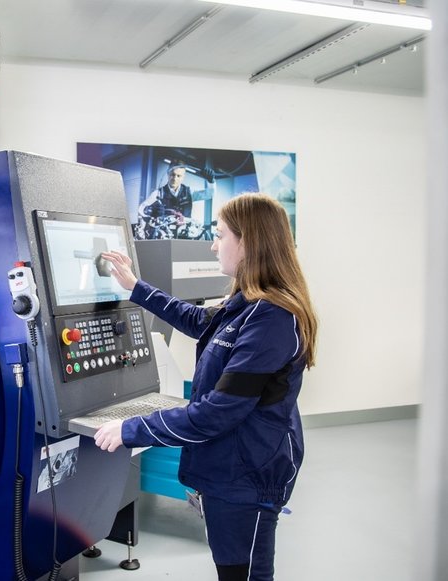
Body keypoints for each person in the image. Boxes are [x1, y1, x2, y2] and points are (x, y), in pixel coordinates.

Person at [95, 193, 317, 581]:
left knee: (244, 574)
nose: (214, 245)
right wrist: (135, 287)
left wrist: (132, 430)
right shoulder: (247, 304)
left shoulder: (273, 320)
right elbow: (199, 320)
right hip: (229, 469)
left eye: (220, 235)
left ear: (248, 242)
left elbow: (217, 413)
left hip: (247, 476)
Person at [137, 161, 194, 238]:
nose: (174, 178)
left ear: (183, 177)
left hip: (184, 235)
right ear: (168, 174)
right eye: (172, 175)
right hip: (164, 235)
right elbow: (141, 208)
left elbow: (209, 194)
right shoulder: (158, 193)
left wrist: (212, 182)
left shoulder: (190, 192)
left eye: (178, 176)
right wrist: (150, 211)